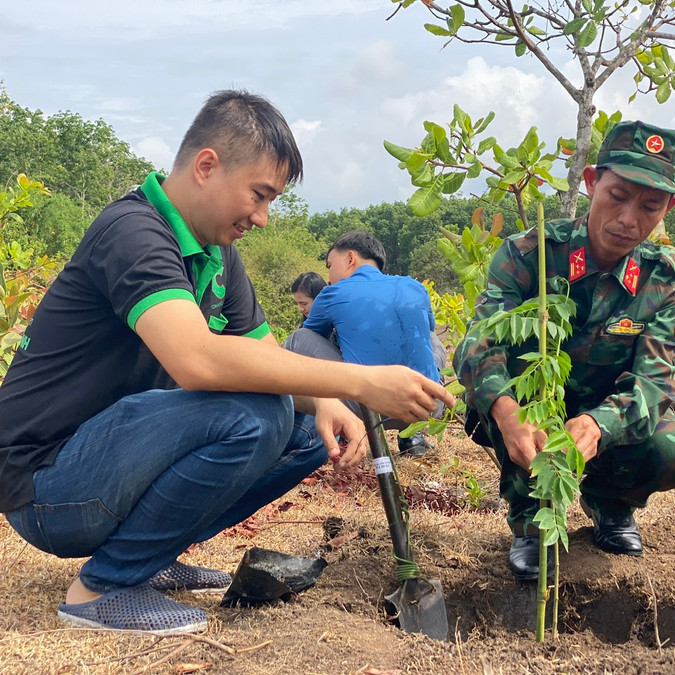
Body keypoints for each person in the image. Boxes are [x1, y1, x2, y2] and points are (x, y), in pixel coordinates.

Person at [0, 90, 452, 635]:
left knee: (310, 428)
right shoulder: (133, 232)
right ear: (207, 166)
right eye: (259, 196)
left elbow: (266, 357)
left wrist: (333, 402)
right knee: (256, 416)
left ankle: (149, 554)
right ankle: (102, 587)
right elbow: (198, 360)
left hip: (114, 462)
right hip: (47, 485)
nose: (262, 218)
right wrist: (362, 380)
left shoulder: (218, 253)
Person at [453, 120, 675, 582]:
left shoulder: (664, 281)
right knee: (501, 399)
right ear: (591, 182)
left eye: (650, 206)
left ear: (669, 206)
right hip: (531, 408)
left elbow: (656, 382)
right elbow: (477, 345)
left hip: (607, 414)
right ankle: (530, 522)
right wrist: (507, 411)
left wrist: (597, 425)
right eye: (618, 196)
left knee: (671, 447)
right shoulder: (528, 255)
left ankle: (611, 505)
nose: (629, 219)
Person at [285, 231, 445, 456]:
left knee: (298, 338)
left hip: (370, 408)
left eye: (330, 265)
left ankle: (299, 429)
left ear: (350, 259)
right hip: (427, 406)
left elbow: (313, 340)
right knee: (431, 337)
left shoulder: (332, 293)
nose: (329, 275)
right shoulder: (414, 286)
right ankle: (412, 433)